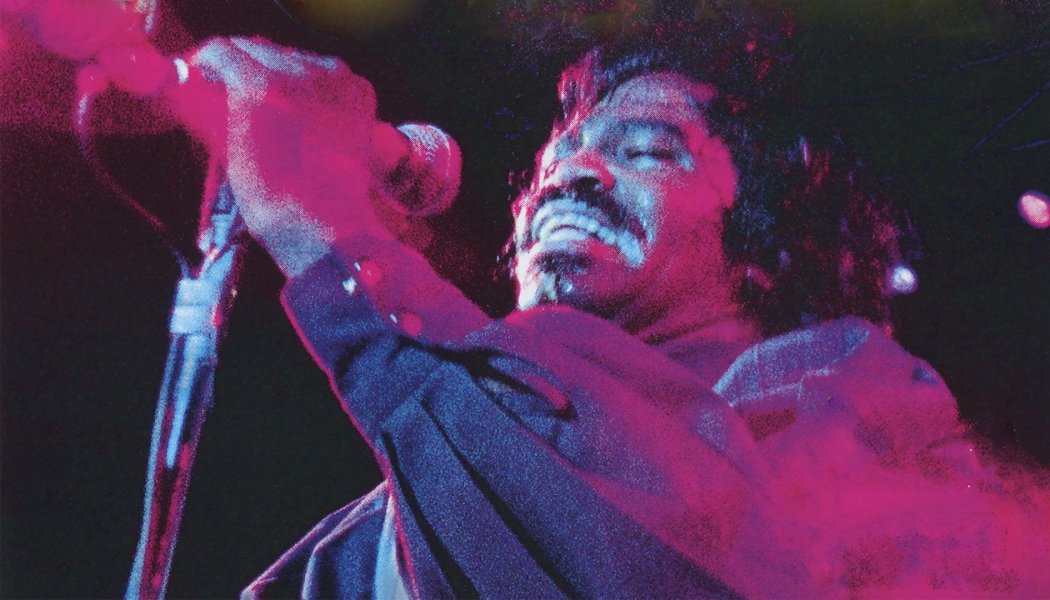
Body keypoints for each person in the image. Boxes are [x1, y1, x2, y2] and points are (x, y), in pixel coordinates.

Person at [188, 26, 1049, 599]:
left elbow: (646, 557)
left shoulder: (853, 428)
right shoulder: (416, 485)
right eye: (556, 160)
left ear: (764, 245)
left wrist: (325, 227)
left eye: (646, 151)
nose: (572, 174)